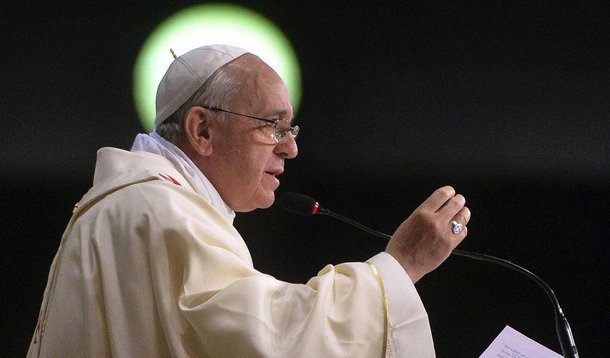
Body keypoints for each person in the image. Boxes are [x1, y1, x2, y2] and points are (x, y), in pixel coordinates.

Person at [27, 44, 470, 357]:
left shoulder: (131, 204)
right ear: (202, 130)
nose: (289, 148)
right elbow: (265, 342)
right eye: (272, 126)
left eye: (290, 130)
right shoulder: (159, 210)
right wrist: (402, 266)